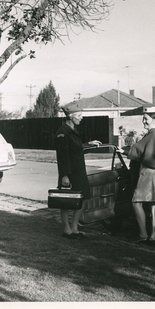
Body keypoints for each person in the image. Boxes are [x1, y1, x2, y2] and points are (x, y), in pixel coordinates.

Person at [127, 106, 155, 246]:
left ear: (154, 120)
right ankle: (153, 237)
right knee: (154, 204)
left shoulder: (152, 135)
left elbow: (138, 152)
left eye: (146, 119)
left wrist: (125, 151)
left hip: (148, 172)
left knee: (136, 202)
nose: (143, 121)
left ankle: (143, 235)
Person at [55, 102, 90, 239]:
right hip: (69, 174)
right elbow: (63, 156)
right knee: (65, 201)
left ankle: (74, 228)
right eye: (79, 115)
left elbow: (75, 149)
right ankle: (67, 229)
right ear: (70, 116)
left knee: (81, 199)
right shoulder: (62, 133)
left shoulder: (73, 131)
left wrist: (87, 145)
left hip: (79, 172)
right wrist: (64, 176)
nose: (81, 118)